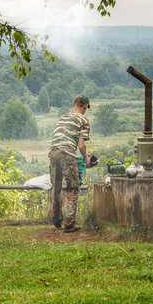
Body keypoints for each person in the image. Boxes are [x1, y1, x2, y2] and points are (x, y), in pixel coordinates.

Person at [48, 95, 90, 233]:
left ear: (73, 104)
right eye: (86, 108)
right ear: (85, 106)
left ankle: (56, 220)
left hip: (53, 152)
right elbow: (81, 145)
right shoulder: (83, 120)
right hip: (67, 154)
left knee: (56, 186)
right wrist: (86, 160)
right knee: (73, 187)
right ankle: (69, 224)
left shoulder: (62, 118)